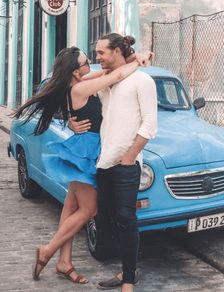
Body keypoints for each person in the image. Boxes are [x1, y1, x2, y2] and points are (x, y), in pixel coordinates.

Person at [13, 45, 146, 284]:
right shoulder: (81, 87)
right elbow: (114, 76)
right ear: (76, 71)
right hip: (87, 151)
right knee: (88, 210)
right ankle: (48, 250)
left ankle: (65, 262)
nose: (90, 64)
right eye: (86, 61)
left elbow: (109, 72)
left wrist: (134, 56)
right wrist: (140, 63)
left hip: (85, 147)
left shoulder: (81, 82)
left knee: (71, 205)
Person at [69, 33, 158, 292]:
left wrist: (130, 156)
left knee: (126, 217)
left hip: (127, 164)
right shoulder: (106, 83)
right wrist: (70, 121)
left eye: (101, 53)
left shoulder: (143, 81)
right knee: (108, 218)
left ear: (116, 51)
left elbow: (150, 125)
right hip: (104, 162)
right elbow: (82, 84)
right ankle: (125, 269)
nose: (97, 59)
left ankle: (128, 280)